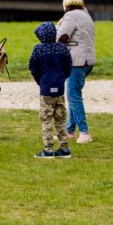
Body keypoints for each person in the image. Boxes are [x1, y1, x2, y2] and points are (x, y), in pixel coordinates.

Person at [28, 22, 74, 159]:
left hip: (46, 88)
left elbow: (33, 68)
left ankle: (48, 149)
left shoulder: (38, 50)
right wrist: (62, 78)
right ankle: (64, 149)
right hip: (59, 88)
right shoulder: (62, 49)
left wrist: (40, 81)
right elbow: (68, 67)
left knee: (46, 119)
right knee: (60, 118)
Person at [57, 0, 96, 143]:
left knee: (73, 96)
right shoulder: (85, 14)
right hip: (87, 61)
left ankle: (85, 132)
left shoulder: (71, 16)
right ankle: (70, 130)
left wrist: (57, 25)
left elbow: (60, 37)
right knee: (74, 94)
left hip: (76, 62)